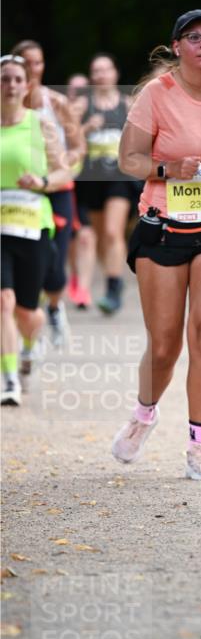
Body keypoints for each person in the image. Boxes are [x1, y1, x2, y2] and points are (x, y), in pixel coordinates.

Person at [111, 9, 201, 480]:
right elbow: (128, 159)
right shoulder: (157, 95)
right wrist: (168, 170)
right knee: (165, 344)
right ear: (176, 47)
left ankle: (199, 447)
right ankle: (145, 414)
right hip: (163, 226)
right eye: (194, 37)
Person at [1, 55, 71, 404]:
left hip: (32, 225)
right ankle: (9, 379)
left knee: (28, 312)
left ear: (26, 85)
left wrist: (41, 181)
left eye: (17, 79)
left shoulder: (40, 125)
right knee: (3, 301)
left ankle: (29, 346)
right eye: (4, 79)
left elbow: (64, 174)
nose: (10, 85)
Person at [12, 40, 85, 346]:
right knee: (22, 259)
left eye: (37, 63)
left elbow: (79, 146)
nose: (32, 69)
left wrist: (64, 163)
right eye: (25, 63)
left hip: (56, 190)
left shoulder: (55, 103)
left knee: (54, 262)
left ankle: (54, 307)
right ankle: (28, 317)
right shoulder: (6, 105)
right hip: (17, 192)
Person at [75, 53, 135, 314]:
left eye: (105, 70)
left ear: (115, 73)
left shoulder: (128, 104)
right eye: (95, 71)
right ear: (91, 76)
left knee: (112, 232)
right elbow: (65, 138)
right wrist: (86, 128)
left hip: (120, 178)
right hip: (92, 179)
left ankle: (112, 287)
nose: (100, 75)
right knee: (100, 237)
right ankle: (114, 278)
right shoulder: (81, 106)